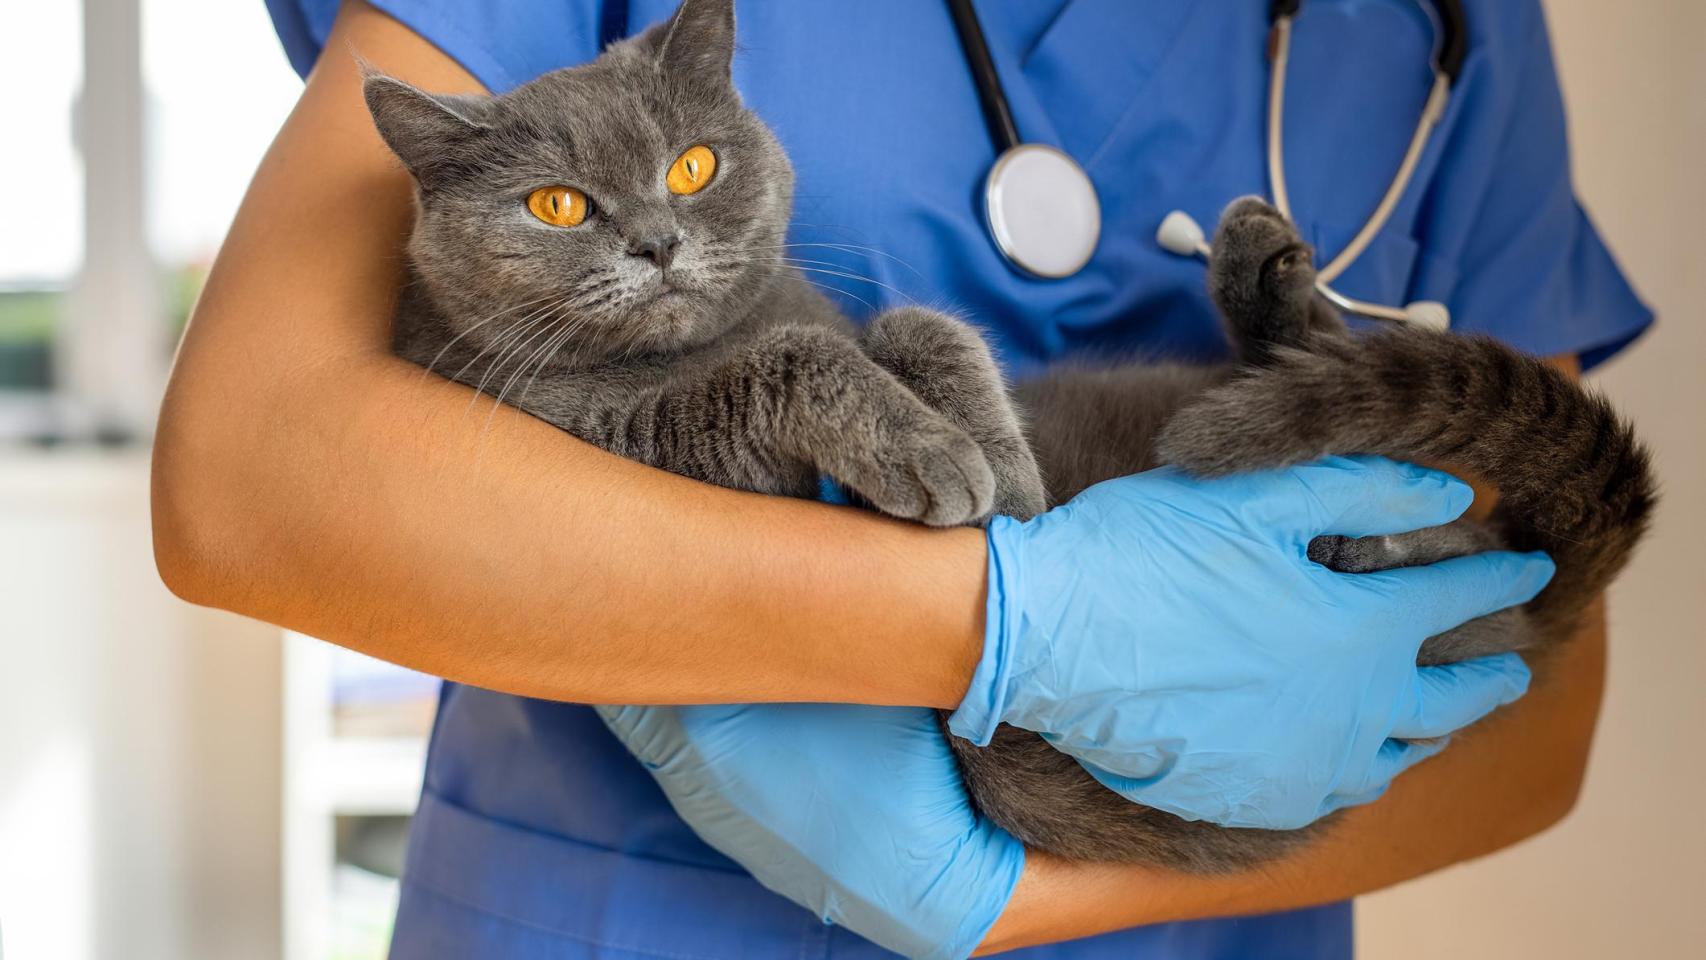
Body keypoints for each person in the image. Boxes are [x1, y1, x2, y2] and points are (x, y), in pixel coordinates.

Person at [153, 0, 1650, 957]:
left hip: (1191, 889)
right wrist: (996, 615)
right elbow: (247, 478)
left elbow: (1544, 693)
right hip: (627, 915)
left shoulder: (1451, 27)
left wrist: (1017, 900)